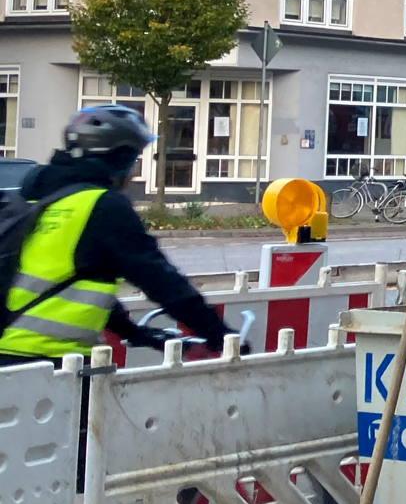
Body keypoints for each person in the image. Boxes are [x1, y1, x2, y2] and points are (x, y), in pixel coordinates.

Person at [1, 106, 233, 366]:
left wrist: (133, 332)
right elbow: (160, 280)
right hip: (47, 364)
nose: (133, 172)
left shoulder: (34, 194)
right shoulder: (103, 206)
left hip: (10, 356)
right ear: (121, 158)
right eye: (134, 159)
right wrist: (220, 336)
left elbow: (69, 281)